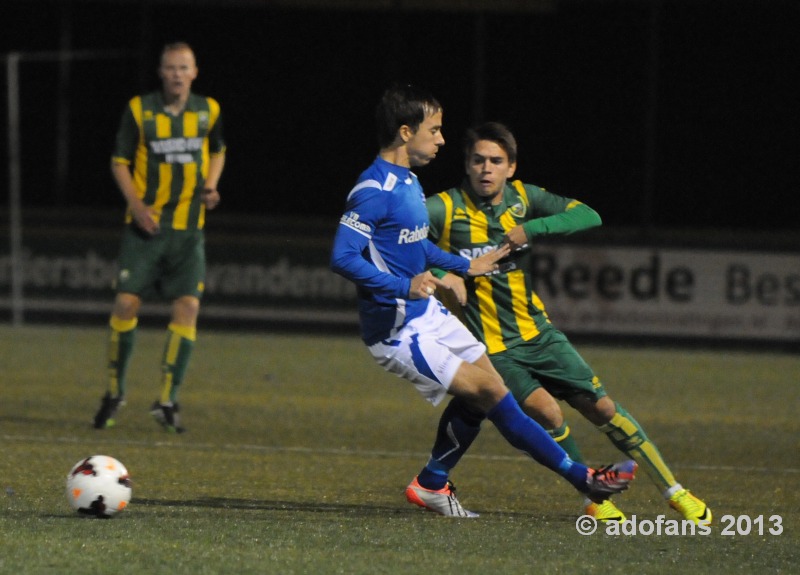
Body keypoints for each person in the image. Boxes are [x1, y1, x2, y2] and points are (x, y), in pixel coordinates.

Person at [330, 84, 637, 517]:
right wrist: (405, 287)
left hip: (428, 314)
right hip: (398, 330)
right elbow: (342, 256)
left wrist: (461, 266)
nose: (440, 140)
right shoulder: (373, 189)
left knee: (485, 393)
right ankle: (584, 480)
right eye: (434, 131)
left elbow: (415, 248)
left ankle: (432, 483)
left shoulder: (410, 181)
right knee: (493, 391)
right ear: (404, 132)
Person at [423, 121, 710, 523]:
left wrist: (533, 228)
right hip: (491, 347)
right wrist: (442, 277)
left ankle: (676, 492)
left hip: (541, 335)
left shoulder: (525, 198)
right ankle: (595, 497)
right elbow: (397, 249)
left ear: (511, 167)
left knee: (603, 409)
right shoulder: (442, 208)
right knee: (548, 413)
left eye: (496, 161)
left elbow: (589, 215)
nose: (486, 169)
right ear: (466, 165)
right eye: (478, 160)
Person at [93, 42, 226, 433]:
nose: (177, 74)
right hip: (145, 227)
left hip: (188, 229)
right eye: (170, 68)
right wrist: (135, 205)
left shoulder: (208, 110)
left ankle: (166, 401)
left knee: (187, 309)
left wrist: (212, 186)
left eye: (184, 67)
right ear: (161, 72)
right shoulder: (140, 109)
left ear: (195, 72)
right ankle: (115, 392)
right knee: (125, 304)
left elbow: (218, 150)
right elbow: (119, 161)